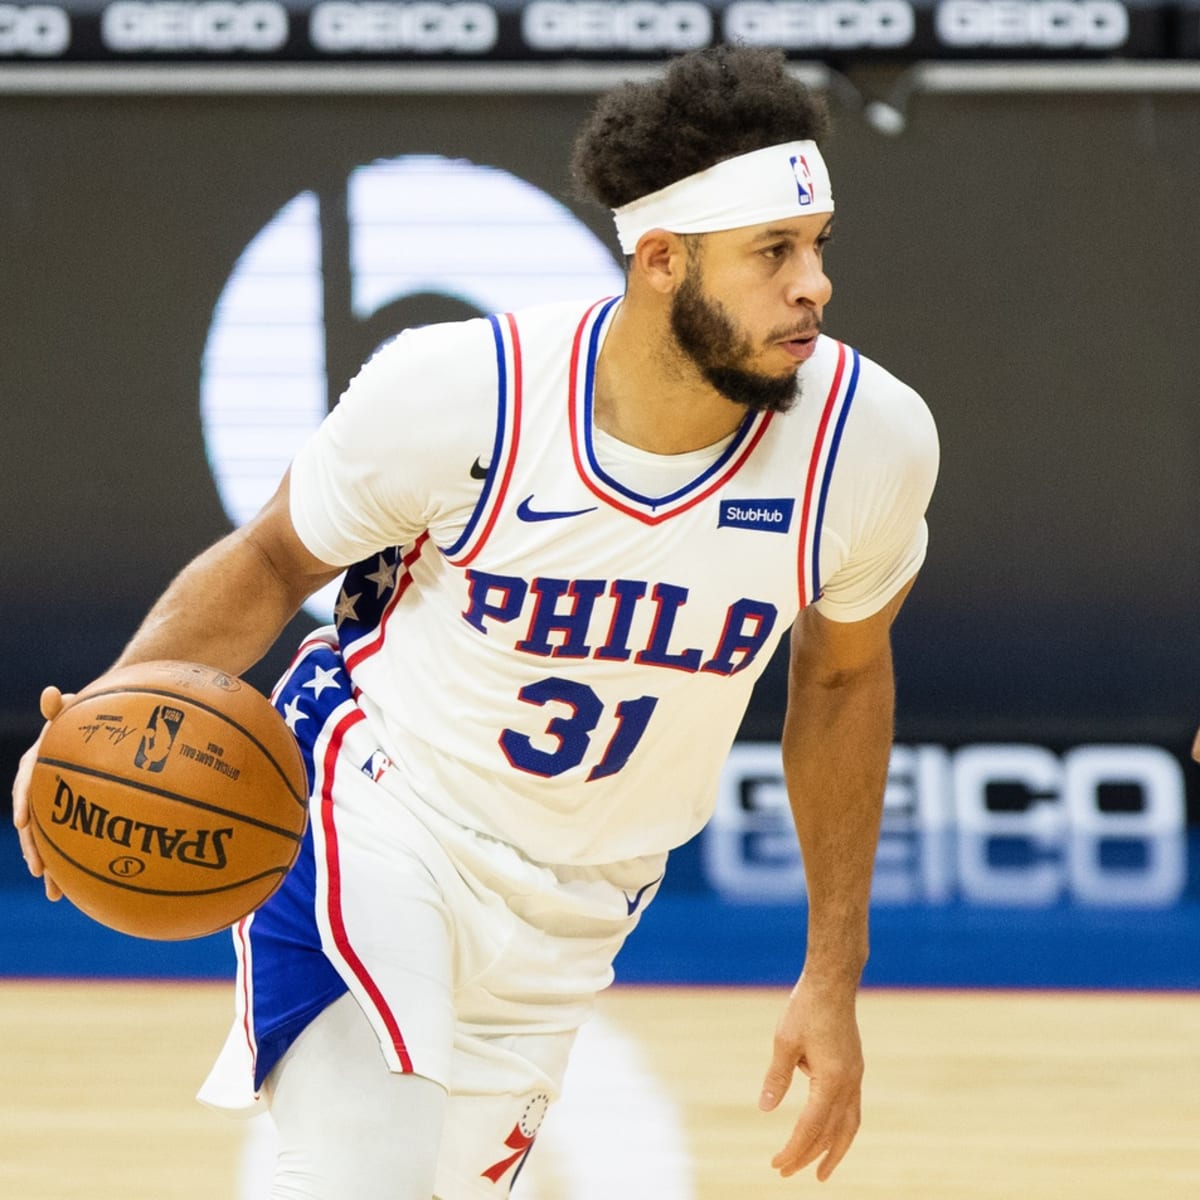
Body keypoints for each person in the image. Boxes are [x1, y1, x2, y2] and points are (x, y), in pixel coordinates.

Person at [12, 45, 938, 1198]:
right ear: (662, 260)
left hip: (584, 899)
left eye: (817, 246)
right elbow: (271, 557)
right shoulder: (462, 393)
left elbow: (843, 679)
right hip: (380, 818)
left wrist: (832, 974)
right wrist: (98, 720)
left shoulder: (869, 445)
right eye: (773, 251)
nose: (815, 285)